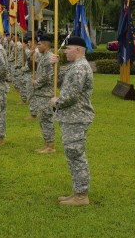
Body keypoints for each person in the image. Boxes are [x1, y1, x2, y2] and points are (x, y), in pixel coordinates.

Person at [49, 36, 94, 206]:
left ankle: (81, 195)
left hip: (77, 117)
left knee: (76, 155)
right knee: (72, 154)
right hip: (72, 117)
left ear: (78, 50)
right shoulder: (74, 67)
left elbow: (71, 95)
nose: (64, 51)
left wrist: (56, 102)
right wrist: (56, 66)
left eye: (68, 48)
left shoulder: (79, 68)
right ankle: (77, 192)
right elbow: (61, 83)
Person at [32, 35, 56, 154]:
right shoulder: (43, 56)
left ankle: (50, 146)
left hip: (46, 93)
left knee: (47, 120)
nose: (37, 46)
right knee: (42, 119)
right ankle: (46, 144)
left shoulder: (49, 58)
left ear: (46, 45)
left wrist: (36, 82)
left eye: (39, 44)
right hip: (42, 93)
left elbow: (47, 76)